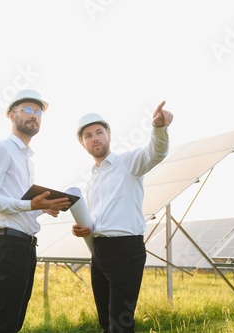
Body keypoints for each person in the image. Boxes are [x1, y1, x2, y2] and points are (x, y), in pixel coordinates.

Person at [72, 101, 173, 333]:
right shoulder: (93, 178)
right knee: (105, 322)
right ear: (83, 143)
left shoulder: (128, 163)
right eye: (88, 135)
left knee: (121, 322)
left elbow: (155, 153)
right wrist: (83, 228)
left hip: (126, 250)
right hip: (98, 251)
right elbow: (98, 219)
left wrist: (158, 128)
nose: (94, 138)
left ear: (109, 135)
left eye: (99, 132)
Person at [0, 89, 70, 333]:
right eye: (27, 110)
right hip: (7, 246)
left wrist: (44, 207)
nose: (34, 116)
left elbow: (17, 205)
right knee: (2, 324)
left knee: (13, 324)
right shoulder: (1, 150)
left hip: (25, 247)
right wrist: (31, 205)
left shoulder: (27, 159)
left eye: (38, 112)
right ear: (11, 116)